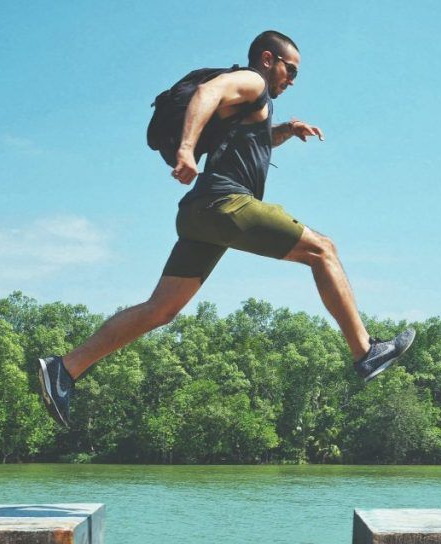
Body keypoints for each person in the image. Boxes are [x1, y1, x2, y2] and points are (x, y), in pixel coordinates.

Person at [37, 31, 414, 427]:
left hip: (199, 214)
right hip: (224, 204)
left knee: (161, 309)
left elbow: (246, 142)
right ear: (268, 59)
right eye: (291, 70)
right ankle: (366, 351)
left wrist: (283, 132)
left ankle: (65, 368)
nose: (292, 81)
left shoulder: (249, 107)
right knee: (323, 249)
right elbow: (207, 92)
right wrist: (185, 149)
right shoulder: (251, 81)